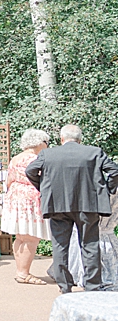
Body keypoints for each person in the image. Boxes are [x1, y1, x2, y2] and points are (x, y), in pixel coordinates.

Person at [26, 124, 118, 293]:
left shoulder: (48, 154)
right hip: (88, 205)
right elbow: (114, 171)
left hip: (57, 205)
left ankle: (65, 286)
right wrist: (106, 189)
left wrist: (45, 188)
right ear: (80, 139)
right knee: (90, 245)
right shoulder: (94, 152)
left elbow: (30, 170)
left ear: (62, 139)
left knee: (60, 245)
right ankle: (92, 286)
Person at [3, 129, 51, 284]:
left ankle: (20, 270)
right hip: (30, 199)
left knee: (20, 236)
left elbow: (9, 179)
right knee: (31, 237)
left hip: (15, 196)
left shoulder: (16, 158)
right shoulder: (35, 159)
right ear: (40, 142)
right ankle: (23, 273)